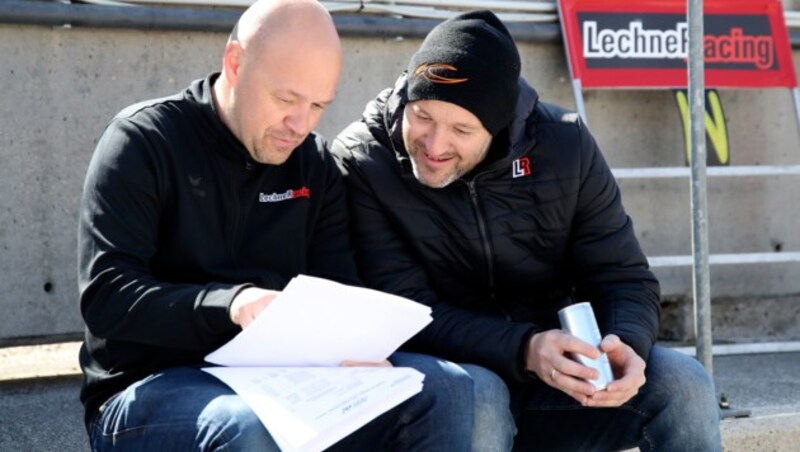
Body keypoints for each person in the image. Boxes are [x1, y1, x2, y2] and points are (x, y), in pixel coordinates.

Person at [77, 1, 480, 450]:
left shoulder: (314, 164)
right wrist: (233, 305)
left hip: (286, 383)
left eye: (317, 106)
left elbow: (338, 286)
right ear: (234, 63)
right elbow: (107, 297)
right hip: (150, 386)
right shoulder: (144, 141)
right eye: (286, 99)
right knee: (251, 428)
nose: (299, 125)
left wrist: (362, 354)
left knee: (451, 391)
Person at [332, 9, 722, 451]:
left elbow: (623, 277)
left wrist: (622, 344)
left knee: (683, 382)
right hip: (449, 377)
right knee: (480, 396)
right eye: (422, 116)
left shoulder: (565, 145)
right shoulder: (363, 159)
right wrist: (525, 349)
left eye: (461, 129)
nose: (435, 144)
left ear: (498, 128)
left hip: (556, 374)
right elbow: (402, 310)